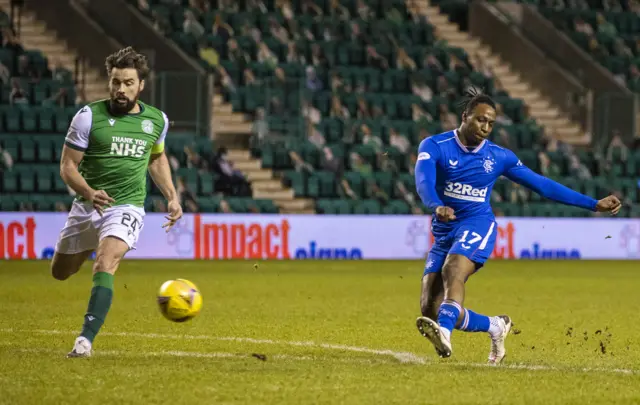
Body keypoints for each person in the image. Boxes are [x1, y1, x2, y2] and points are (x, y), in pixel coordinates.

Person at [414, 89, 621, 364]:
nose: (486, 128)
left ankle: (446, 335)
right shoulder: (435, 145)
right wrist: (435, 205)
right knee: (430, 306)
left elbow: (543, 185)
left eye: (490, 123)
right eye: (480, 120)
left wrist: (593, 204)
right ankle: (495, 326)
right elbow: (424, 181)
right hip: (444, 228)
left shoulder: (499, 157)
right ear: (464, 117)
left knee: (454, 270)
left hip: (477, 223)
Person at [51, 47, 184, 358]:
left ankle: (84, 342)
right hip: (88, 206)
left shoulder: (156, 120)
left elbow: (157, 157)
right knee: (60, 271)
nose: (120, 89)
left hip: (127, 206)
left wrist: (172, 196)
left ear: (140, 86)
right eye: (115, 82)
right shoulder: (88, 117)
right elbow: (68, 165)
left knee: (106, 262)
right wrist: (87, 192)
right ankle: (87, 243)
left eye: (127, 83)